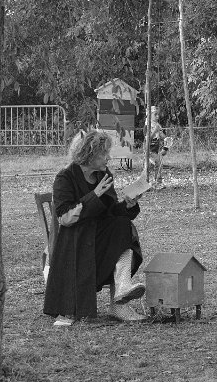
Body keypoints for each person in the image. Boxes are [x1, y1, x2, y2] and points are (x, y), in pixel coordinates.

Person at [43, 130, 148, 326]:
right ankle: (107, 301)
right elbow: (65, 218)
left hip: (97, 237)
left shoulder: (104, 175)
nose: (108, 158)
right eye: (104, 153)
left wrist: (127, 205)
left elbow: (110, 212)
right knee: (119, 231)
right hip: (75, 242)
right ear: (89, 154)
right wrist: (94, 195)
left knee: (123, 226)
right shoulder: (65, 177)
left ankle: (121, 294)